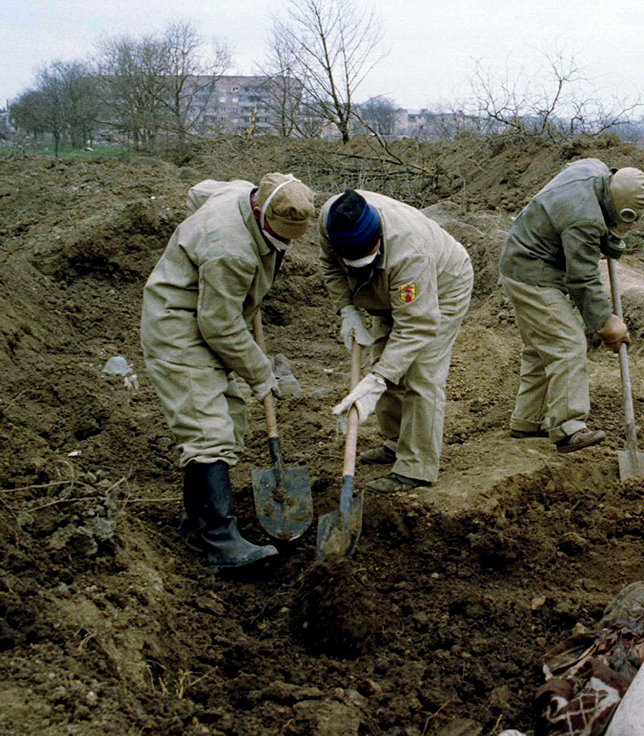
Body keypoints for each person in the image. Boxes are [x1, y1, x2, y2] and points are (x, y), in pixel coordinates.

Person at [142, 173, 315, 569]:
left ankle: (196, 523)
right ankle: (221, 541)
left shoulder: (237, 191)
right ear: (259, 210)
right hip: (179, 325)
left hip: (209, 318)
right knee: (207, 429)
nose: (287, 245)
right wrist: (260, 372)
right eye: (280, 236)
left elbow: (198, 190)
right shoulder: (230, 250)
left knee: (231, 422)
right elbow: (219, 324)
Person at [319, 190, 473, 494]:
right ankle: (396, 440)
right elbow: (331, 266)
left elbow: (417, 324)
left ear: (378, 238)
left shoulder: (410, 252)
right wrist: (347, 309)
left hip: (442, 286)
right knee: (382, 358)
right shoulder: (330, 220)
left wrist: (375, 381)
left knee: (421, 375)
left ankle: (416, 466)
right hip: (386, 287)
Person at [497, 159, 644, 453]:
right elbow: (582, 279)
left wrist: (611, 234)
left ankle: (528, 420)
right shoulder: (585, 219)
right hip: (532, 271)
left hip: (521, 259)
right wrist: (606, 322)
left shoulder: (594, 169)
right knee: (567, 343)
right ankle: (568, 428)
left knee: (541, 346)